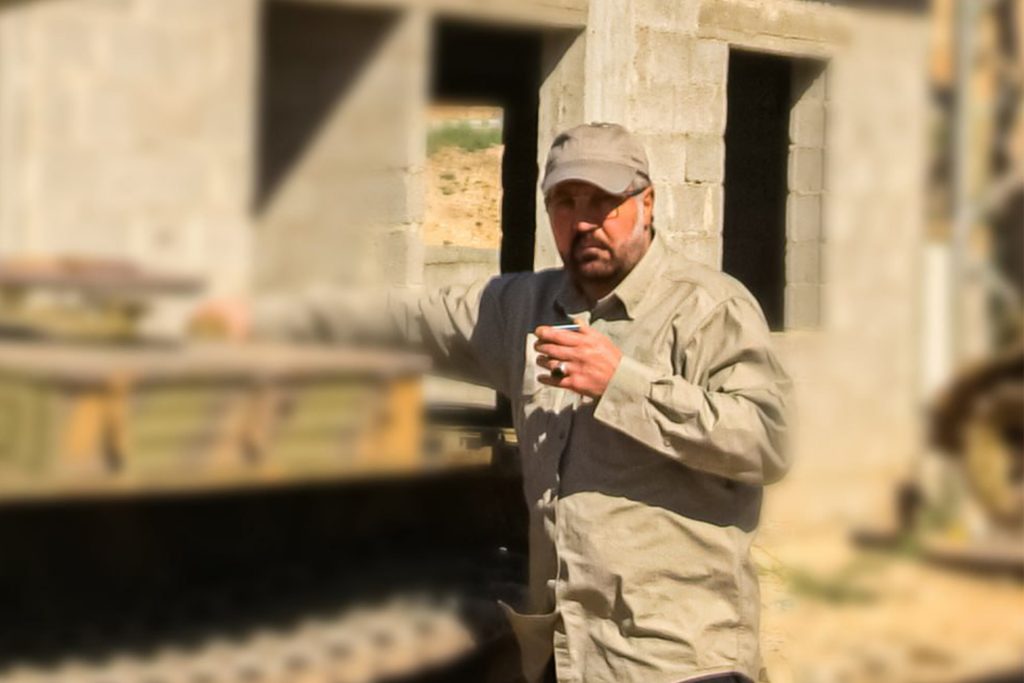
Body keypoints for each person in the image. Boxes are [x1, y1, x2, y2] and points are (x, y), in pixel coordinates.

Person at [198, 123, 791, 683]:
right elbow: (408, 320)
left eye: (603, 203)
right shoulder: (521, 308)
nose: (584, 222)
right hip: (566, 654)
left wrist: (621, 383)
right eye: (566, 202)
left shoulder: (709, 310)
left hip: (675, 660)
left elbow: (768, 441)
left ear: (648, 204)